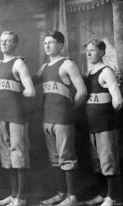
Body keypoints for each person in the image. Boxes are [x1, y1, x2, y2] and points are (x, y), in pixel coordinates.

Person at [32, 31, 87, 206]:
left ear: (61, 45)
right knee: (55, 159)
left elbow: (82, 91)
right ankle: (61, 193)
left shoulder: (67, 64)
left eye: (51, 42)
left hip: (63, 118)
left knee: (66, 158)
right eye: (45, 43)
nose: (47, 45)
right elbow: (28, 81)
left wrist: (70, 110)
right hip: (47, 118)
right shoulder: (44, 67)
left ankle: (72, 197)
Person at [0, 31, 35, 206]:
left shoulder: (19, 63)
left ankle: (21, 198)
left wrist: (17, 95)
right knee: (7, 156)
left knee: (19, 155)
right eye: (1, 41)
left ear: (15, 44)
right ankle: (13, 194)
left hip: (16, 116)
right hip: (1, 116)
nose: (4, 44)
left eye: (8, 41)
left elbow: (30, 90)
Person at [83, 39, 123, 206]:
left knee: (108, 160)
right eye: (87, 51)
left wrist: (110, 117)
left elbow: (118, 100)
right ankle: (102, 194)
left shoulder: (107, 71)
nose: (89, 53)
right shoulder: (89, 72)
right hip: (92, 124)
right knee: (97, 161)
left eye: (93, 50)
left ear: (102, 52)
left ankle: (112, 197)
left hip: (105, 124)